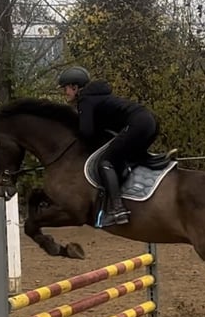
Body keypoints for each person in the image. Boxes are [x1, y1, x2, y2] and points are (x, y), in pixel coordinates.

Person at [57, 65, 159, 227]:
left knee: (105, 162)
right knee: (120, 156)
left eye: (66, 88)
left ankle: (117, 209)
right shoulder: (96, 97)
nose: (65, 93)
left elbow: (87, 132)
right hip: (149, 122)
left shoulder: (85, 100)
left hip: (137, 124)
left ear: (75, 87)